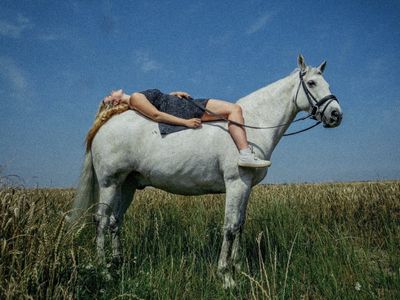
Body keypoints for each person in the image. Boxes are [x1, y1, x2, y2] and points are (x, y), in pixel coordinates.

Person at [103, 89, 271, 168]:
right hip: (184, 110)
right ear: (115, 102)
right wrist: (186, 122)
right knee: (234, 109)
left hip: (181, 104)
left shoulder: (136, 98)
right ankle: (245, 154)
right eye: (108, 97)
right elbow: (157, 115)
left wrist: (173, 94)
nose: (110, 93)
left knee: (233, 110)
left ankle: (244, 153)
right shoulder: (134, 99)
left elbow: (159, 101)